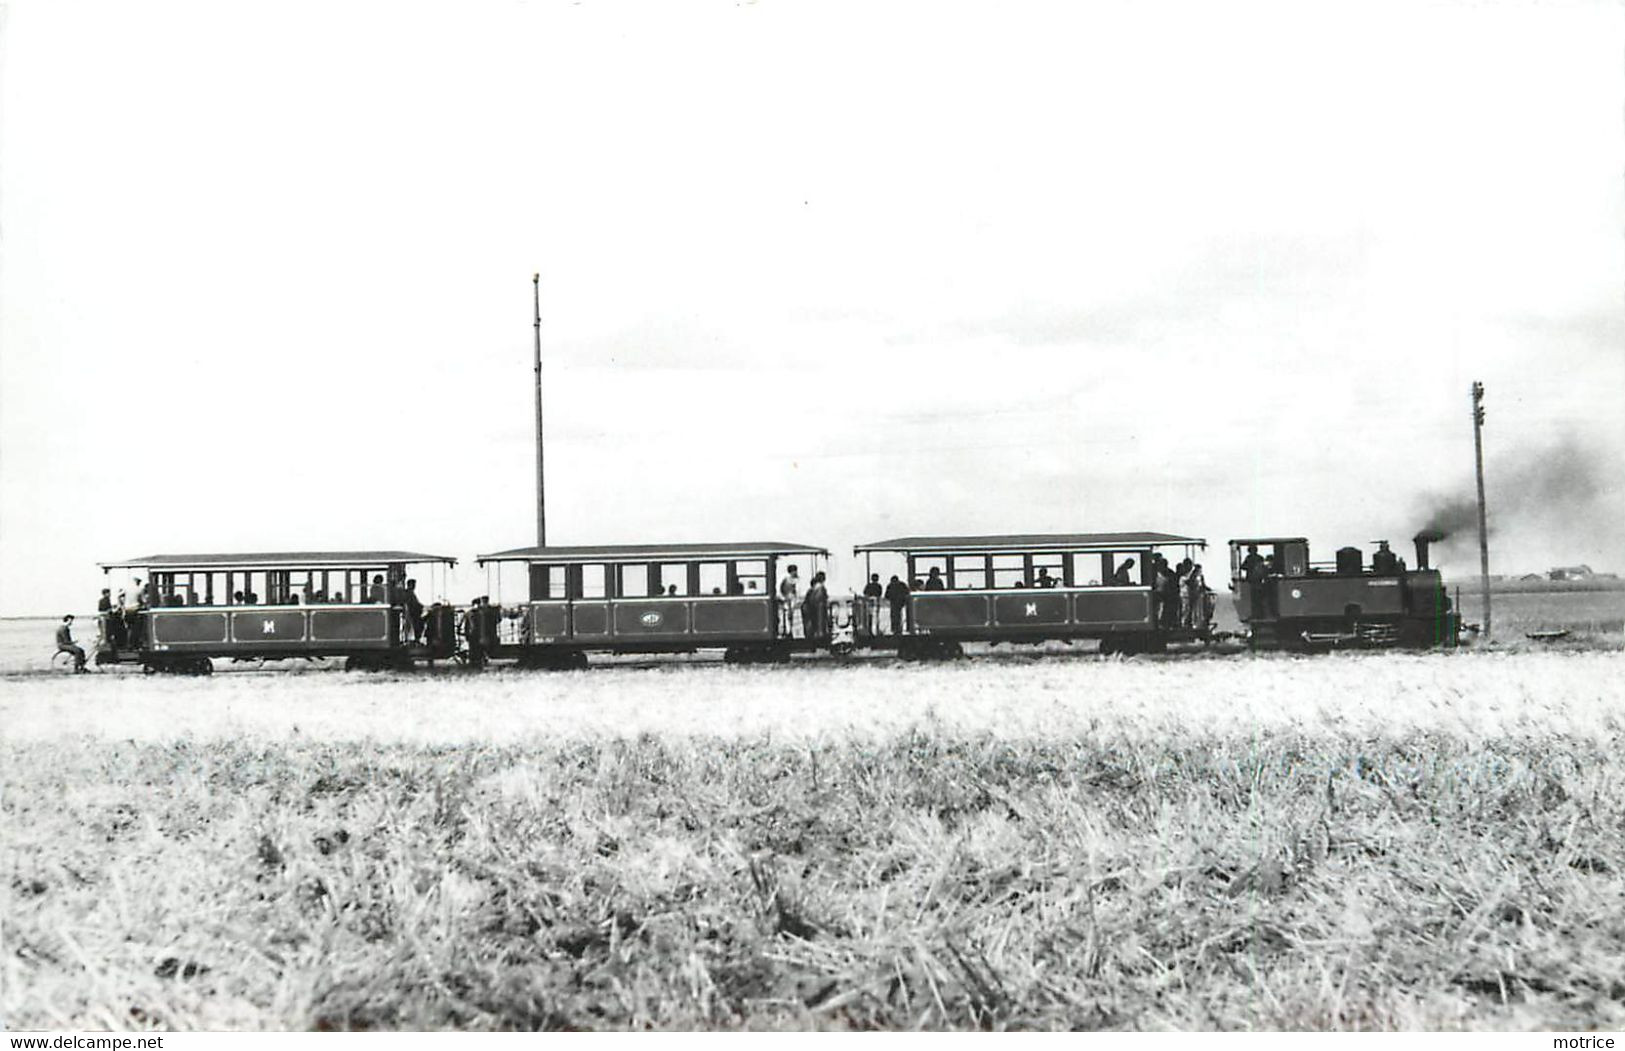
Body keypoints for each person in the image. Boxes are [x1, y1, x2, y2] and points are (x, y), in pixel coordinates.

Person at [802, 571, 829, 642]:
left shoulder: (812, 589)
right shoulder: (820, 588)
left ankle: (810, 637)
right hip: (815, 609)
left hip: (809, 609)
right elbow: (820, 600)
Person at [779, 564, 801, 635]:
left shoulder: (797, 579)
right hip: (787, 599)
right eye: (795, 571)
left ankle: (792, 630)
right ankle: (788, 630)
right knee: (786, 615)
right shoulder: (785, 578)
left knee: (794, 615)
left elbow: (797, 590)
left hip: (793, 599)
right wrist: (783, 597)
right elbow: (780, 588)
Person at [402, 578, 425, 643]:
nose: (414, 586)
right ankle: (417, 638)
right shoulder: (409, 593)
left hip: (413, 612)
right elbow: (413, 604)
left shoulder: (410, 593)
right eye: (414, 585)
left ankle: (418, 637)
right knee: (420, 623)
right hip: (412, 613)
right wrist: (420, 606)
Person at [1186, 562, 1208, 629]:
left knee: (1199, 609)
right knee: (1193, 608)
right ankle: (1192, 622)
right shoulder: (1192, 576)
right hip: (1193, 594)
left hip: (1200, 594)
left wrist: (1206, 589)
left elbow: (1203, 585)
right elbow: (1190, 583)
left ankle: (1199, 622)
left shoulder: (1201, 576)